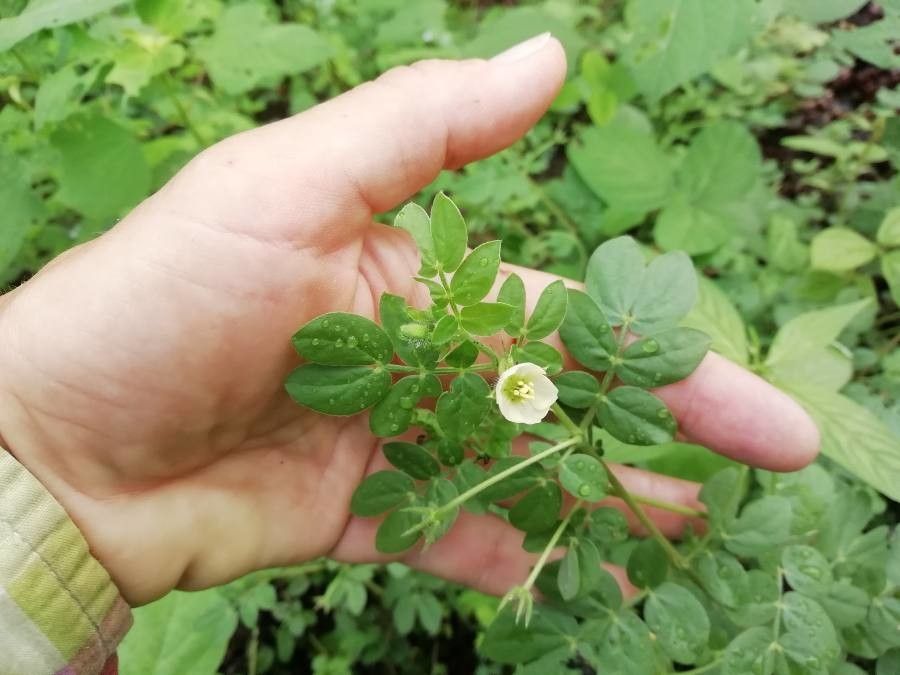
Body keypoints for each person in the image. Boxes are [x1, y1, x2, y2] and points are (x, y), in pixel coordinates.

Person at [0, 34, 819, 675]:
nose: (526, 382)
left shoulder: (523, 376)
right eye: (522, 379)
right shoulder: (484, 385)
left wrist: (37, 449)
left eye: (521, 379)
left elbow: (532, 406)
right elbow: (489, 409)